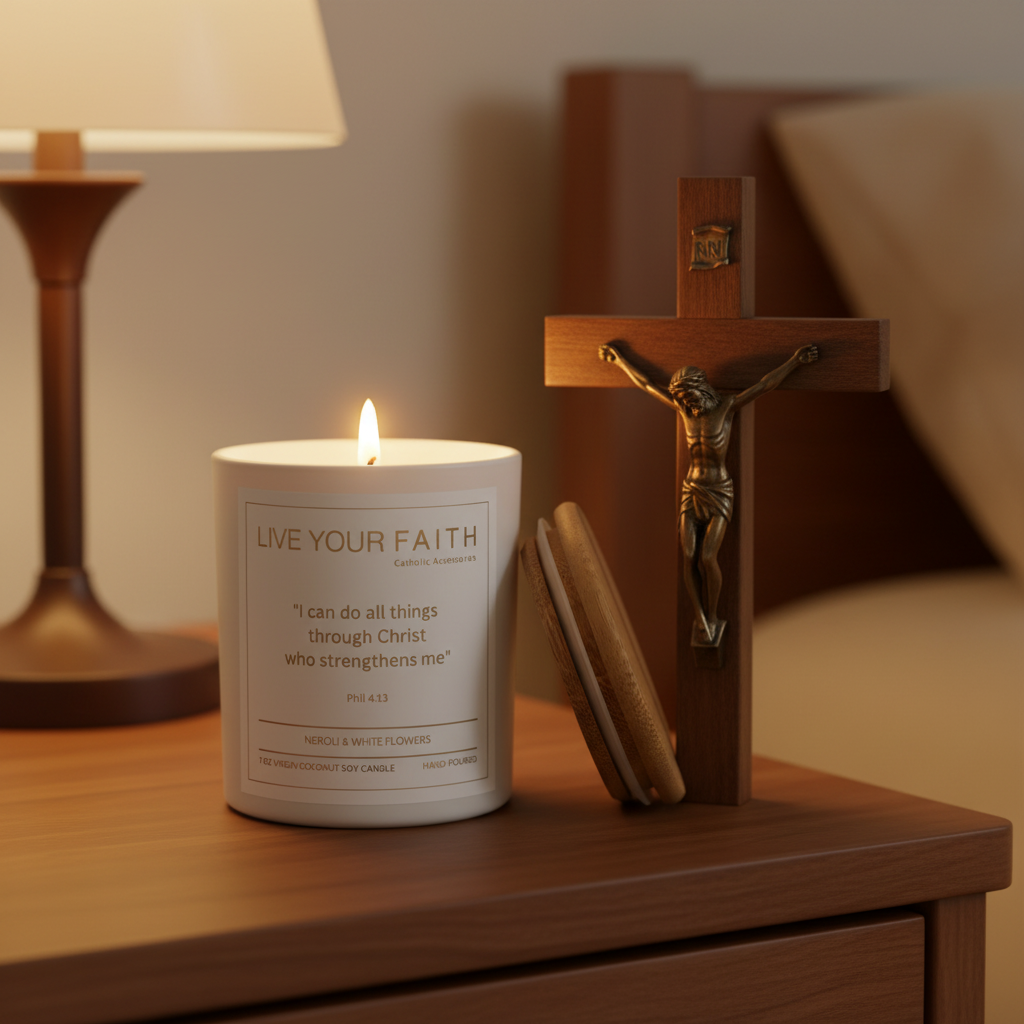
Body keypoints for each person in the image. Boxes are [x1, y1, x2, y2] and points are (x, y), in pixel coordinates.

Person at [598, 342, 818, 646]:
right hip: (692, 488)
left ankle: (712, 616)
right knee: (687, 556)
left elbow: (765, 384)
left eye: (689, 396)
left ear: (701, 389)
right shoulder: (685, 413)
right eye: (682, 399)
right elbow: (647, 385)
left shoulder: (727, 407)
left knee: (708, 556)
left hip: (718, 489)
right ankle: (700, 618)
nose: (687, 403)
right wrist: (619, 360)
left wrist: (796, 361)